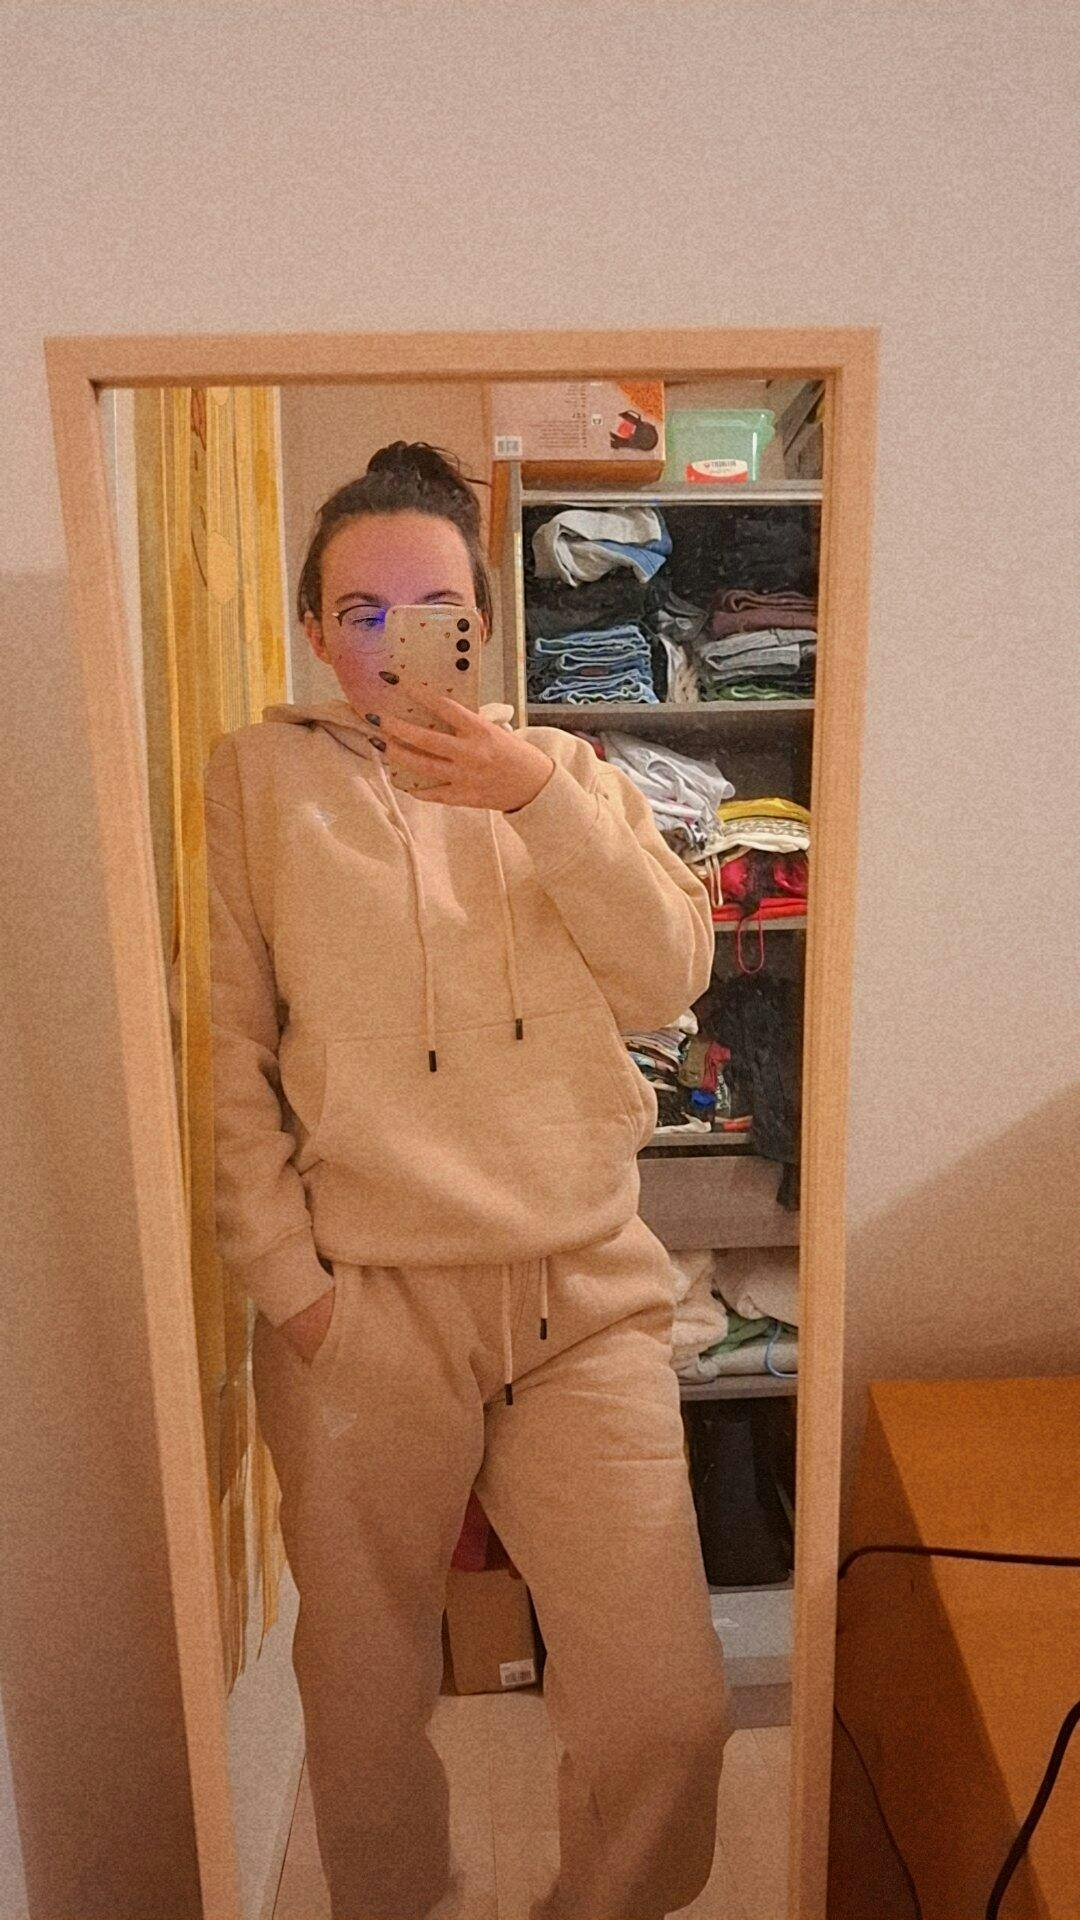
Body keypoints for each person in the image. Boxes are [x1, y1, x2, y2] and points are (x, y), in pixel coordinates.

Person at [203, 440, 730, 1920]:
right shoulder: (257, 783)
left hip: (583, 1297)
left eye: (432, 608)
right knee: (364, 1711)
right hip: (366, 1311)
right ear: (316, 630)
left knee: (669, 1715)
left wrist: (537, 798)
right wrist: (297, 1291)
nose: (394, 640)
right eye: (360, 611)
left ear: (482, 627)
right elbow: (229, 1048)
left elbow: (669, 973)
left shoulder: (570, 772)